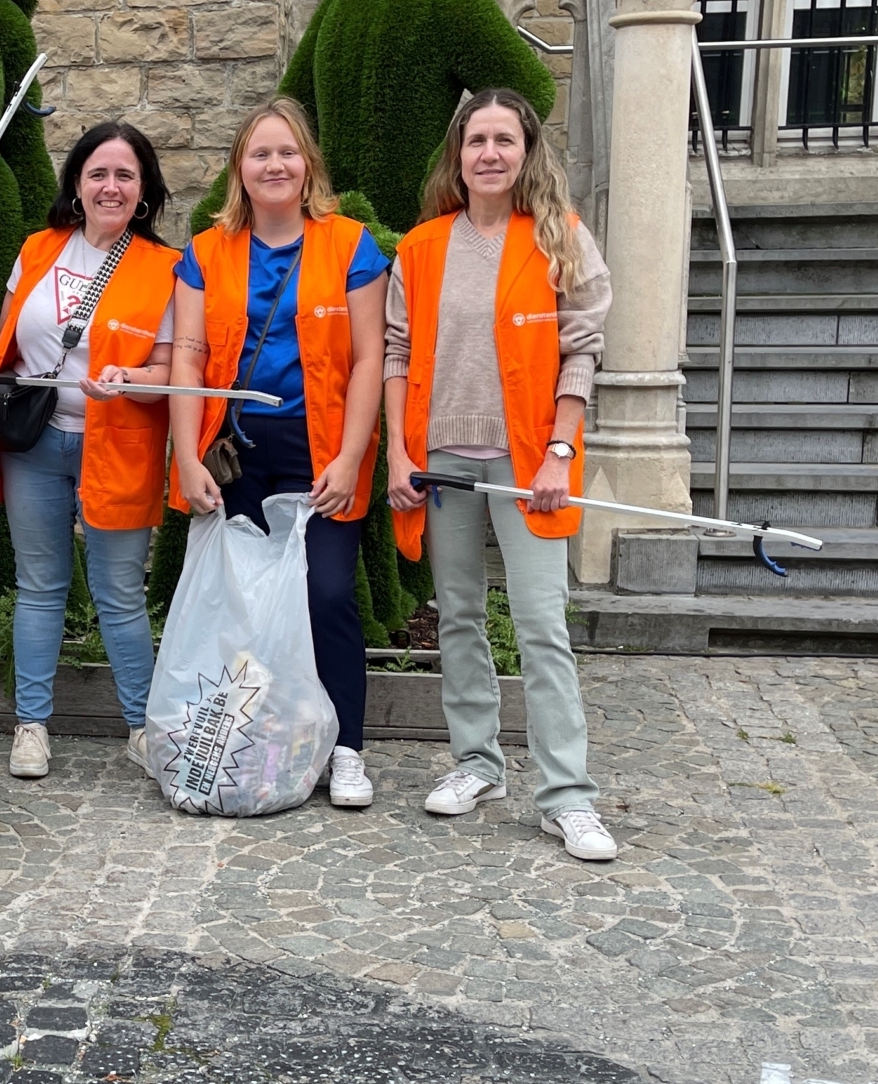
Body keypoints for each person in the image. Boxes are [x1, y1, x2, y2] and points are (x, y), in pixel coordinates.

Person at [384, 89, 617, 862]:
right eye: (475, 139)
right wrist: (397, 453)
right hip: (440, 455)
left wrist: (560, 447)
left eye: (503, 139)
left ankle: (567, 794)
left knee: (542, 624)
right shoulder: (420, 247)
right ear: (458, 153)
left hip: (528, 458)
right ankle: (477, 762)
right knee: (456, 614)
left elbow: (583, 347)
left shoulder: (560, 238)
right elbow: (395, 353)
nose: (489, 152)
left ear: (525, 151)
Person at [170, 97, 389, 808]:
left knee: (326, 593)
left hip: (321, 447)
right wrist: (185, 454)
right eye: (260, 153)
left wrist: (353, 456)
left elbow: (367, 359)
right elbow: (189, 358)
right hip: (234, 450)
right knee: (235, 602)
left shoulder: (351, 246)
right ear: (240, 167)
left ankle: (347, 746)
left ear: (308, 166)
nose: (274, 164)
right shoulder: (205, 252)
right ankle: (258, 736)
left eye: (287, 152)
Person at [0, 122, 179, 779]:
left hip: (119, 441)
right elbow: (6, 343)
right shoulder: (38, 249)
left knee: (117, 591)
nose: (110, 186)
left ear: (143, 192)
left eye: (125, 175)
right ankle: (31, 726)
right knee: (40, 586)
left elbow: (167, 369)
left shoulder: (166, 268)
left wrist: (129, 380)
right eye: (98, 173)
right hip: (35, 443)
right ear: (77, 185)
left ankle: (140, 726)